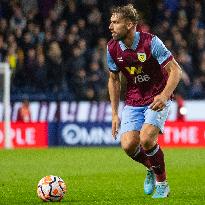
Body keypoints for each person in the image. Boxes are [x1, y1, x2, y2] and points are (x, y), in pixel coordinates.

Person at [107, 4, 182, 198]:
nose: (111, 26)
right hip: (133, 100)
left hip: (157, 96)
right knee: (128, 145)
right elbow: (114, 79)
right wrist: (115, 113)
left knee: (147, 139)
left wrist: (165, 95)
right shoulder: (112, 48)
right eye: (111, 22)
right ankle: (151, 167)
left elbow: (176, 70)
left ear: (130, 24)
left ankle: (162, 184)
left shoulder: (151, 43)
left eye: (116, 22)